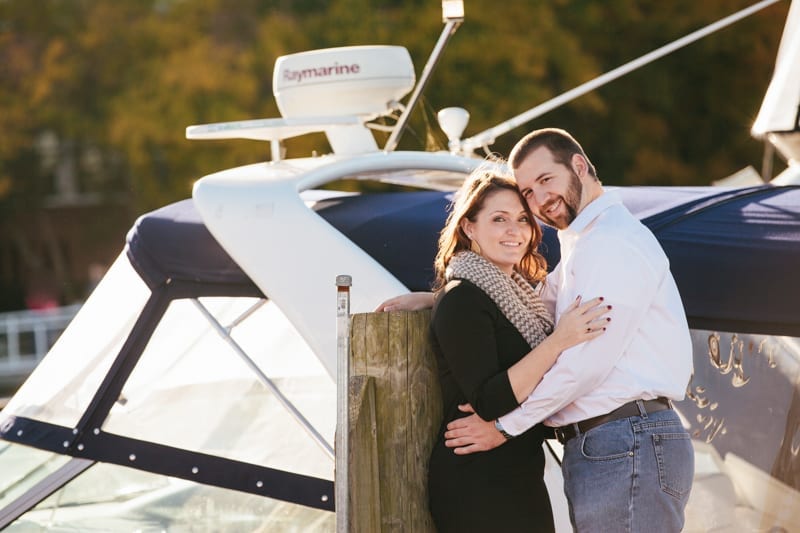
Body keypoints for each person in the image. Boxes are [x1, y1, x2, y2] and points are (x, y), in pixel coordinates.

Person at [378, 128, 695, 532]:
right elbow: (534, 301)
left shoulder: (612, 243)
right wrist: (435, 299)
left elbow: (586, 365)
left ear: (578, 166)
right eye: (528, 191)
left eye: (546, 180)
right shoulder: (585, 241)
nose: (539, 199)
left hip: (627, 440)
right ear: (469, 227)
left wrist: (504, 427)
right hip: (613, 444)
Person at [425, 167, 609, 533]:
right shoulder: (463, 298)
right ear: (469, 228)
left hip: (517, 475)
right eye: (499, 219)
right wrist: (560, 341)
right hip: (477, 483)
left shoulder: (520, 299)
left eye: (523, 220)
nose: (515, 231)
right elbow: (489, 401)